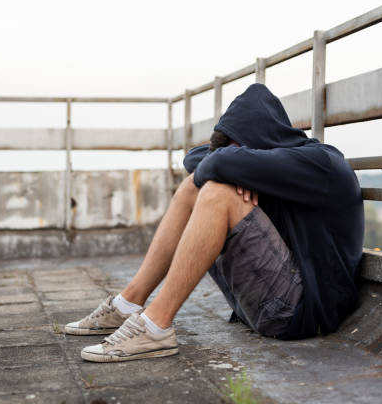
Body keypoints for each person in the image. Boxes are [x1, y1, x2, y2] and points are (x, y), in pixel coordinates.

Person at [64, 83, 365, 363]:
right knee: (191, 188)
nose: (242, 160)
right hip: (257, 305)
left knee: (217, 191)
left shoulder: (322, 163)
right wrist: (239, 166)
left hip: (302, 311)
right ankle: (127, 304)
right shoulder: (271, 166)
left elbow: (219, 163)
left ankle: (155, 327)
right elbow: (195, 159)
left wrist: (233, 166)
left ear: (265, 136)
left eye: (244, 151)